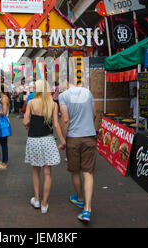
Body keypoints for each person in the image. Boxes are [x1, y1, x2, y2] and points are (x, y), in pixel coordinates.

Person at [23, 79, 65, 214]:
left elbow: (25, 122)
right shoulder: (53, 104)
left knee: (36, 171)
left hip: (34, 140)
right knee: (47, 173)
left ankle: (36, 199)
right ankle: (44, 204)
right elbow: (56, 125)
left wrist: (30, 125)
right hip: (48, 140)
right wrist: (63, 141)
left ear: (38, 89)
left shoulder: (31, 102)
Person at [59, 76, 97, 222]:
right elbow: (94, 114)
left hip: (73, 139)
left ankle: (80, 197)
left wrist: (63, 140)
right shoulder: (88, 92)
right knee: (88, 172)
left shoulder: (63, 96)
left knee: (75, 170)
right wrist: (87, 126)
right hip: (89, 137)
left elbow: (65, 119)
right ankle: (87, 209)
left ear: (64, 82)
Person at [0, 87, 11, 170]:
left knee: (3, 143)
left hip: (3, 123)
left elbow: (4, 112)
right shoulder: (3, 97)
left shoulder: (4, 98)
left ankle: (4, 163)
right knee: (2, 142)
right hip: (1, 122)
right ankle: (4, 161)